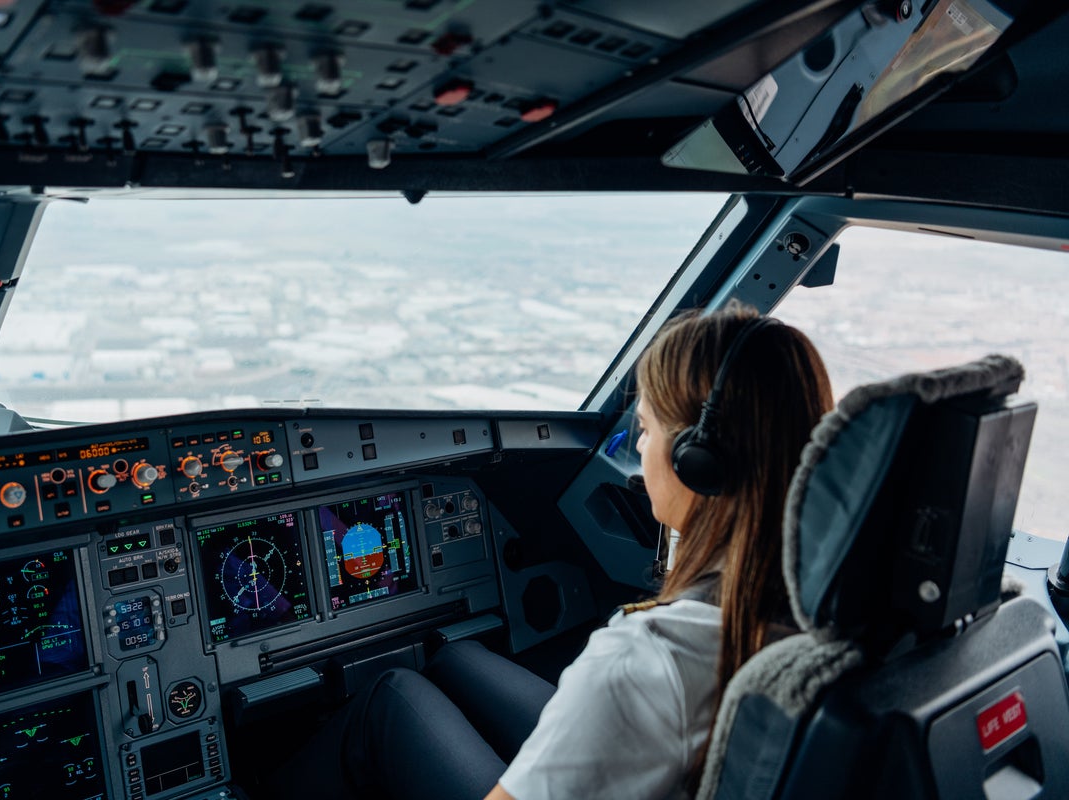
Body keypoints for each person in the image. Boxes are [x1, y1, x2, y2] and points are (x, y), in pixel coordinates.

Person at [273, 303, 833, 800]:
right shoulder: (834, 591)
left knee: (391, 697)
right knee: (455, 658)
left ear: (698, 460)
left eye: (646, 428)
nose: (638, 447)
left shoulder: (651, 657)